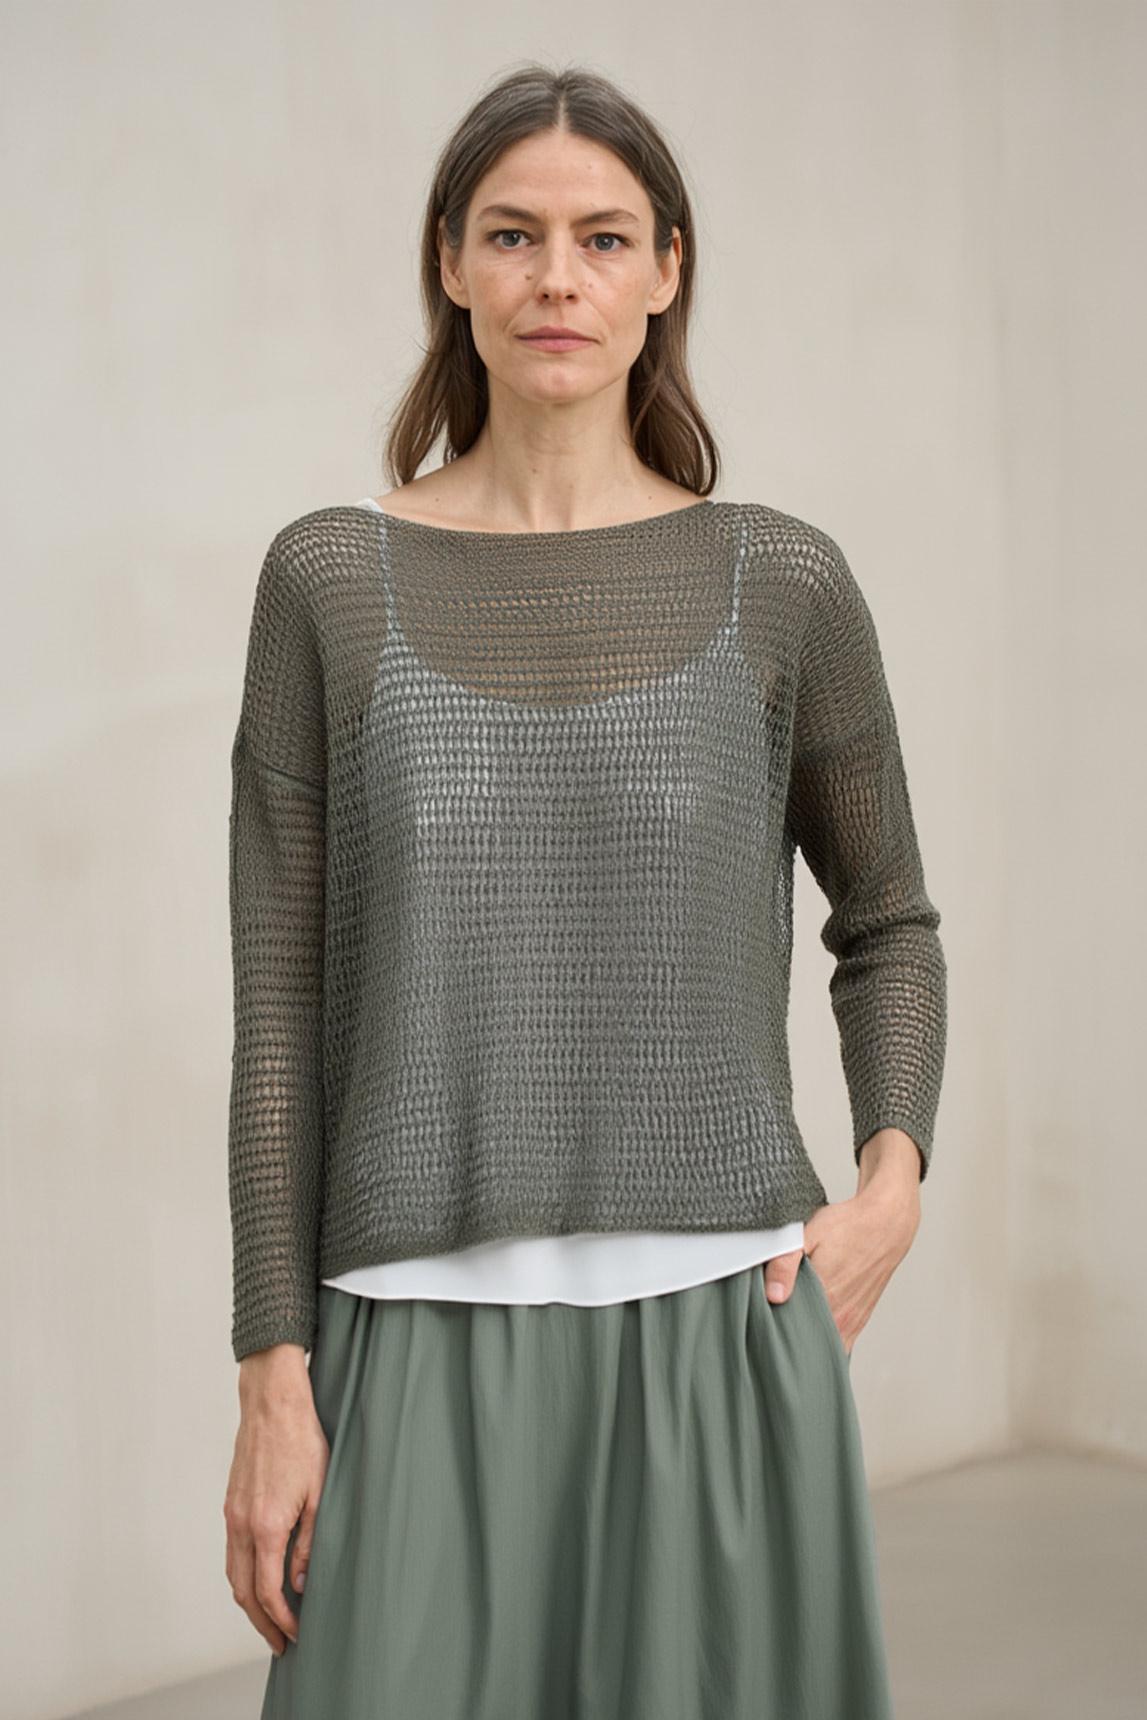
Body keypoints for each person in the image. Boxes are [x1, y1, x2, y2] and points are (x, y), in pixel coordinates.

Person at [222, 61, 947, 1720]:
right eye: (514, 234)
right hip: (405, 1335)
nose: (559, 278)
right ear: (450, 262)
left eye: (604, 238)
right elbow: (278, 1015)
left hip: (721, 1338)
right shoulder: (328, 580)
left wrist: (892, 1181)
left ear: (667, 270)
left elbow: (890, 921)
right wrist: (271, 1368)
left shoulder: (781, 581)